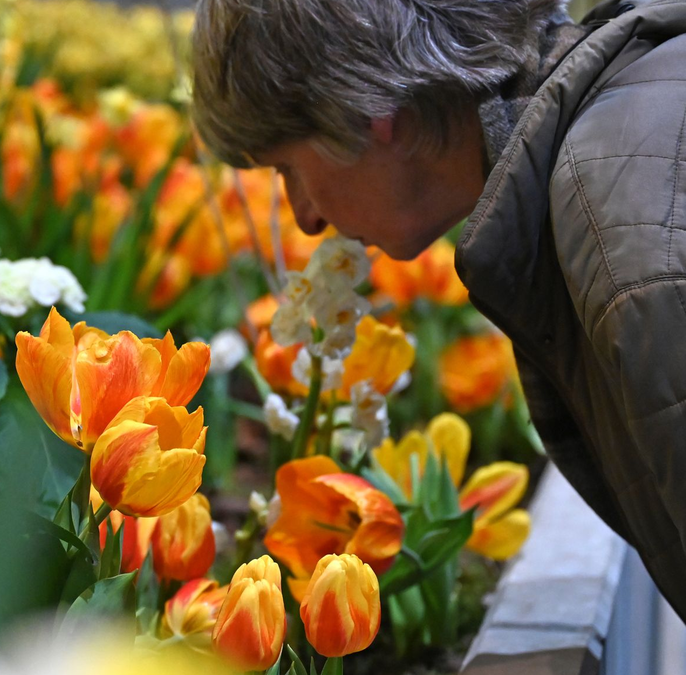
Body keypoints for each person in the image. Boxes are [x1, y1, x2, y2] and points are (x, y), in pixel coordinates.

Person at [191, 0, 686, 618]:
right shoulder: (632, 130)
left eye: (290, 167)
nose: (305, 218)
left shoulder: (627, 240)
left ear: (367, 105)